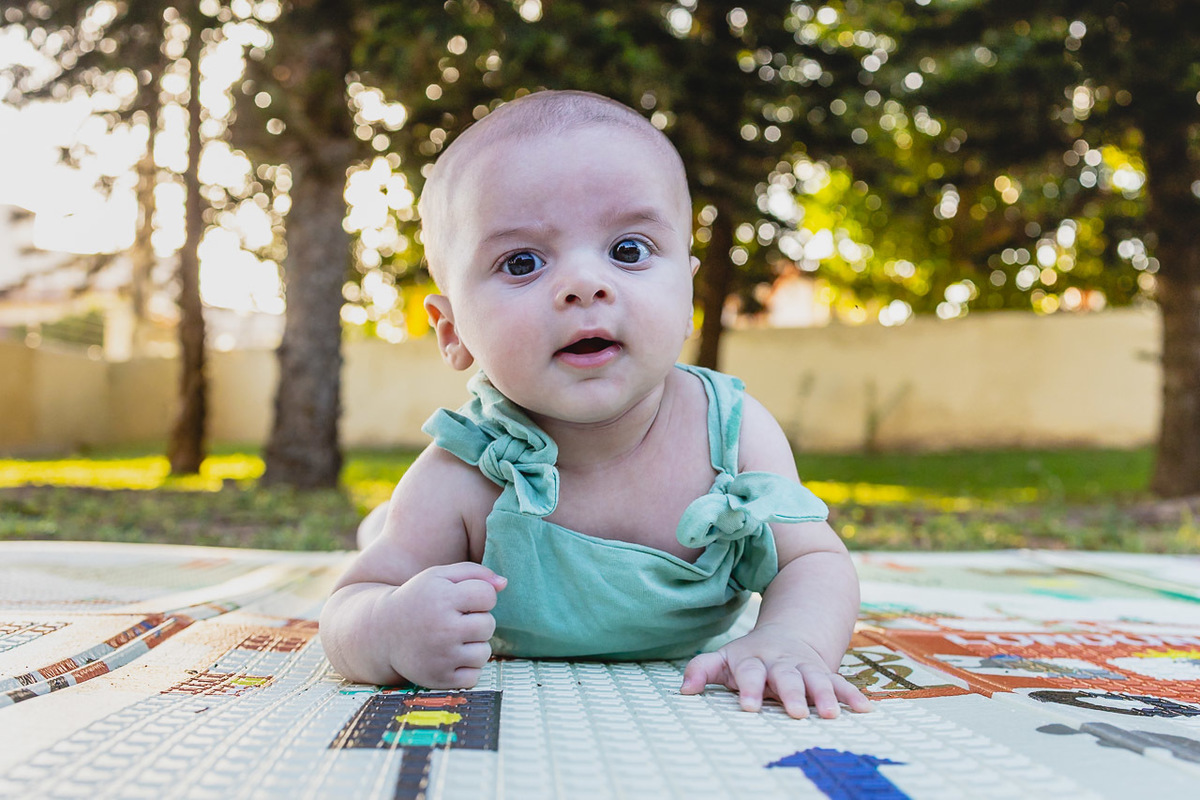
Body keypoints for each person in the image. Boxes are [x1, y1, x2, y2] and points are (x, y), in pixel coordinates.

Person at [320, 90, 871, 720]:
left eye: (629, 250)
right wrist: (389, 627)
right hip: (441, 537)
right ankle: (383, 526)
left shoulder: (733, 433)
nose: (586, 284)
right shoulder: (464, 474)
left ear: (688, 290)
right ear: (453, 332)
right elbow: (348, 607)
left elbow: (815, 561)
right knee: (398, 538)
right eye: (522, 262)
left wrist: (793, 640)